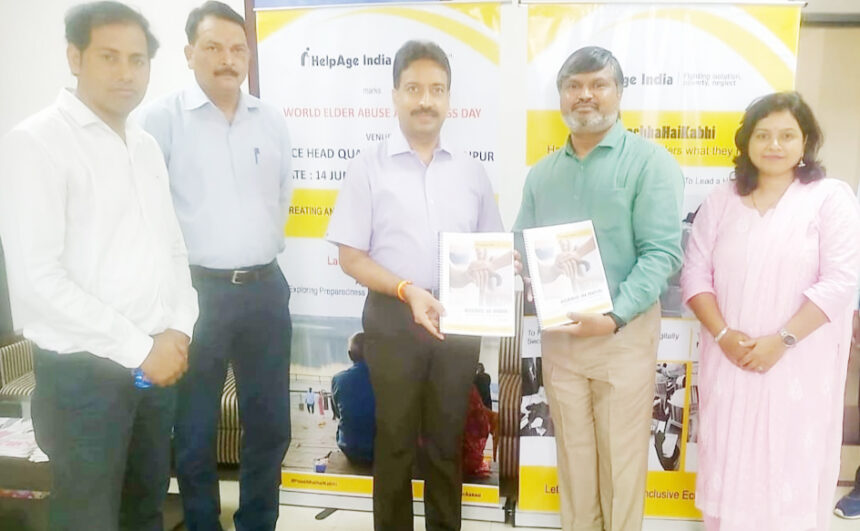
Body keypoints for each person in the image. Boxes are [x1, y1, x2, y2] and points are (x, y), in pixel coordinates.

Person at [0, 2, 198, 529]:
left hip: (154, 370)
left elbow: (172, 250)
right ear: (75, 57)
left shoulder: (145, 145)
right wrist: (142, 349)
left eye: (137, 60)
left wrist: (178, 329)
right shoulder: (36, 143)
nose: (125, 72)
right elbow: (38, 281)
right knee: (88, 518)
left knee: (145, 510)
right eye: (109, 56)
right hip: (83, 381)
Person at [326, 40, 504, 530]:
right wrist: (407, 289)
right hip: (394, 317)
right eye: (414, 89)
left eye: (437, 90)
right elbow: (350, 257)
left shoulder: (471, 171)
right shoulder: (367, 166)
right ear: (395, 95)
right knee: (396, 442)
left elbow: (489, 247)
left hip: (456, 318)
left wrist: (507, 268)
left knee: (446, 444)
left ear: (449, 98)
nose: (426, 100)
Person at [513, 46, 684, 531]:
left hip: (621, 336)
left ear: (619, 92)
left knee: (620, 467)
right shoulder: (543, 173)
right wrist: (513, 262)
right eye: (573, 86)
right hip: (562, 338)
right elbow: (521, 241)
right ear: (561, 96)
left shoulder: (650, 163)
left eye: (598, 84)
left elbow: (661, 254)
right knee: (574, 463)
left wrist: (612, 317)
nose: (584, 95)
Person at [138, 2, 293, 529]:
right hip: (195, 293)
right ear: (189, 53)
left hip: (265, 288)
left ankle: (258, 522)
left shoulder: (271, 120)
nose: (228, 59)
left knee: (270, 424)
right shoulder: (158, 121)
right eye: (213, 47)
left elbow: (280, 197)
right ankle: (202, 523)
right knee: (195, 426)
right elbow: (146, 214)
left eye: (237, 49)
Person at [681, 91, 860, 530]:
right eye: (762, 135)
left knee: (787, 467)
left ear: (806, 142)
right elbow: (694, 276)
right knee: (729, 460)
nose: (774, 145)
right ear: (746, 141)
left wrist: (781, 341)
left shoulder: (830, 198)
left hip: (797, 363)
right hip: (730, 360)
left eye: (786, 135)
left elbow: (841, 281)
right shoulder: (721, 200)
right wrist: (724, 336)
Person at [331, 332, 375, 465]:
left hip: (350, 448)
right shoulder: (386, 380)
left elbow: (338, 413)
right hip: (381, 451)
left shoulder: (338, 379)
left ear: (350, 355)